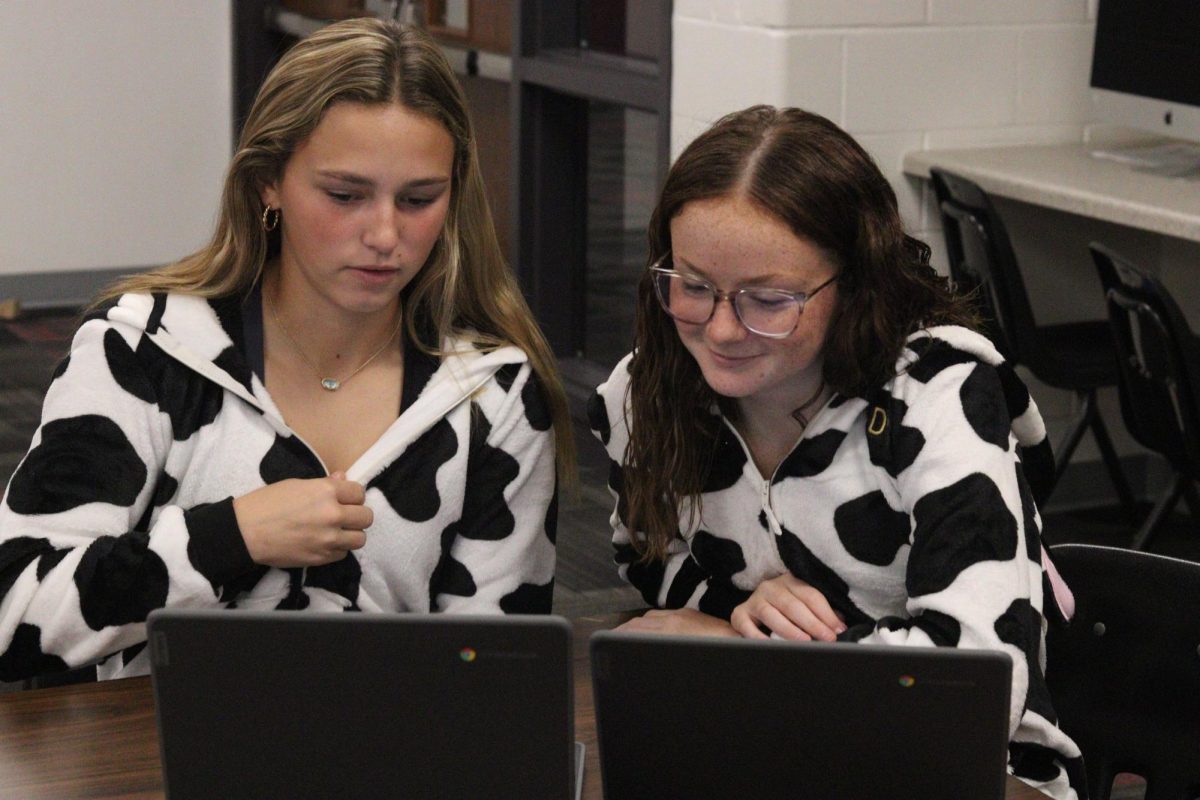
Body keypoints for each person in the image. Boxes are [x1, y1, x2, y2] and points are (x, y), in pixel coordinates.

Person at [0, 18, 572, 683]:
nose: (385, 234)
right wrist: (229, 537)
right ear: (268, 182)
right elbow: (16, 610)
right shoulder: (143, 351)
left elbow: (500, 672)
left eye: (418, 199)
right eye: (345, 195)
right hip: (148, 766)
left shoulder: (493, 391)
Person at [588, 106, 1086, 799]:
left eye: (769, 299)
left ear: (854, 284)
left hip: (973, 773)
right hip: (767, 744)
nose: (723, 329)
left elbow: (973, 686)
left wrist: (737, 652)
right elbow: (647, 554)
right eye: (693, 286)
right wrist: (735, 607)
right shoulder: (646, 393)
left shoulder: (937, 395)